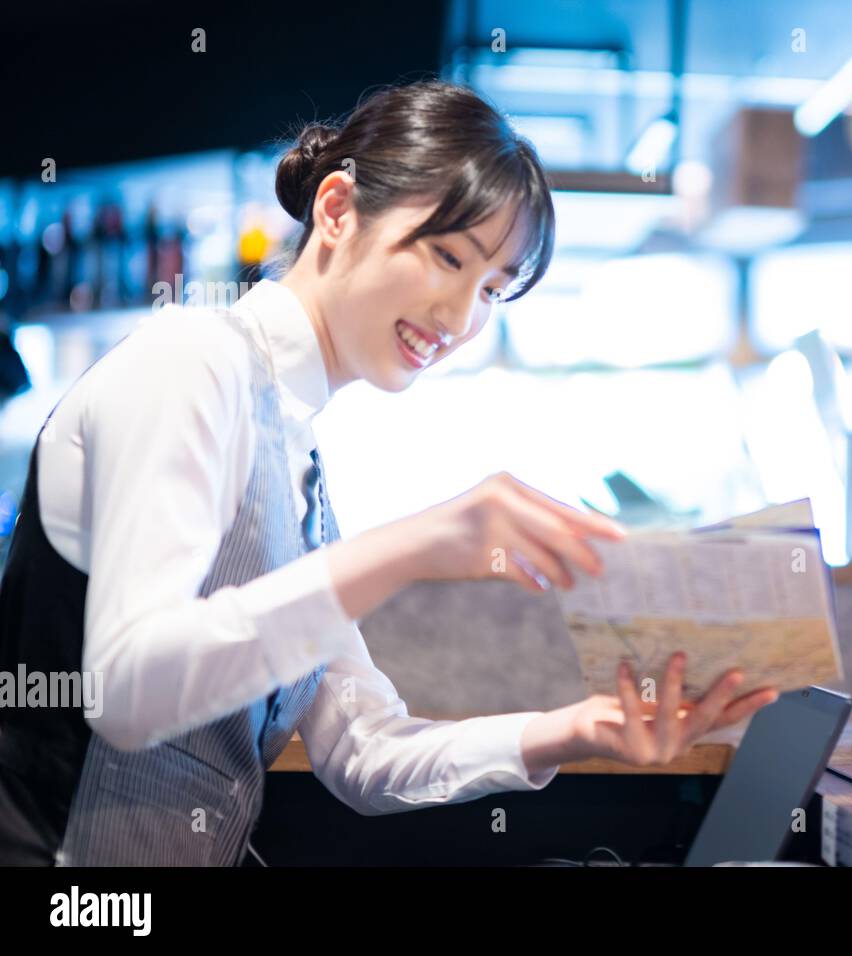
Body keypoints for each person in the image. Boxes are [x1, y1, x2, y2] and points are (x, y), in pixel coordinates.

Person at [0, 80, 778, 866]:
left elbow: (364, 750)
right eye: (448, 256)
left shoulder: (298, 463)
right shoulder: (190, 362)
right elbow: (127, 692)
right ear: (338, 210)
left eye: (491, 290)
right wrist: (416, 545)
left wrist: (579, 728)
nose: (462, 318)